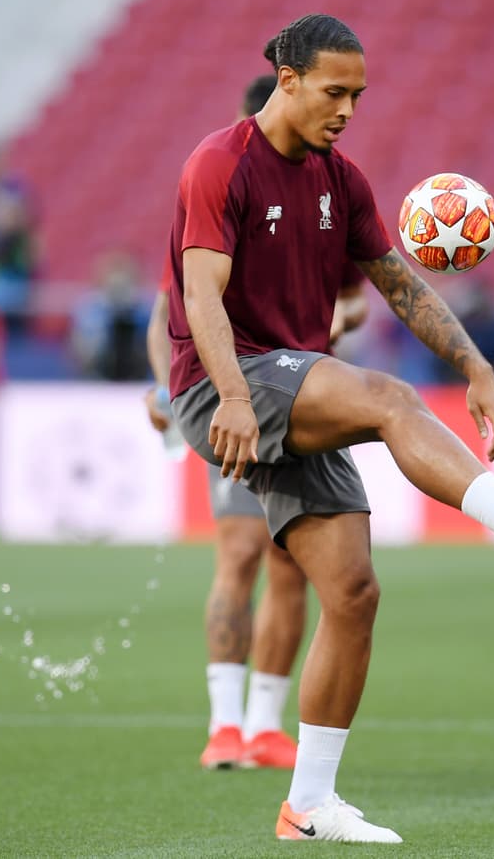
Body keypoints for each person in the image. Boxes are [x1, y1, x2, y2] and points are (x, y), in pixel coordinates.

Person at [165, 14, 494, 843]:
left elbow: (400, 285)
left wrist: (476, 365)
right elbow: (199, 297)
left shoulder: (343, 178)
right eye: (334, 91)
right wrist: (231, 397)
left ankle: (309, 806)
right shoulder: (218, 165)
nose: (348, 108)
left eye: (358, 94)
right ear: (286, 78)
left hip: (288, 381)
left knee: (354, 595)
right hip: (227, 382)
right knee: (392, 399)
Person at [144, 73, 368, 772]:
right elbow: (173, 310)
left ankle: (266, 727)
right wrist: (167, 387)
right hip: (236, 400)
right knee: (239, 554)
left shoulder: (319, 189)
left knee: (292, 568)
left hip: (295, 395)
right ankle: (224, 725)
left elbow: (355, 300)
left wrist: (320, 323)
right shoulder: (222, 185)